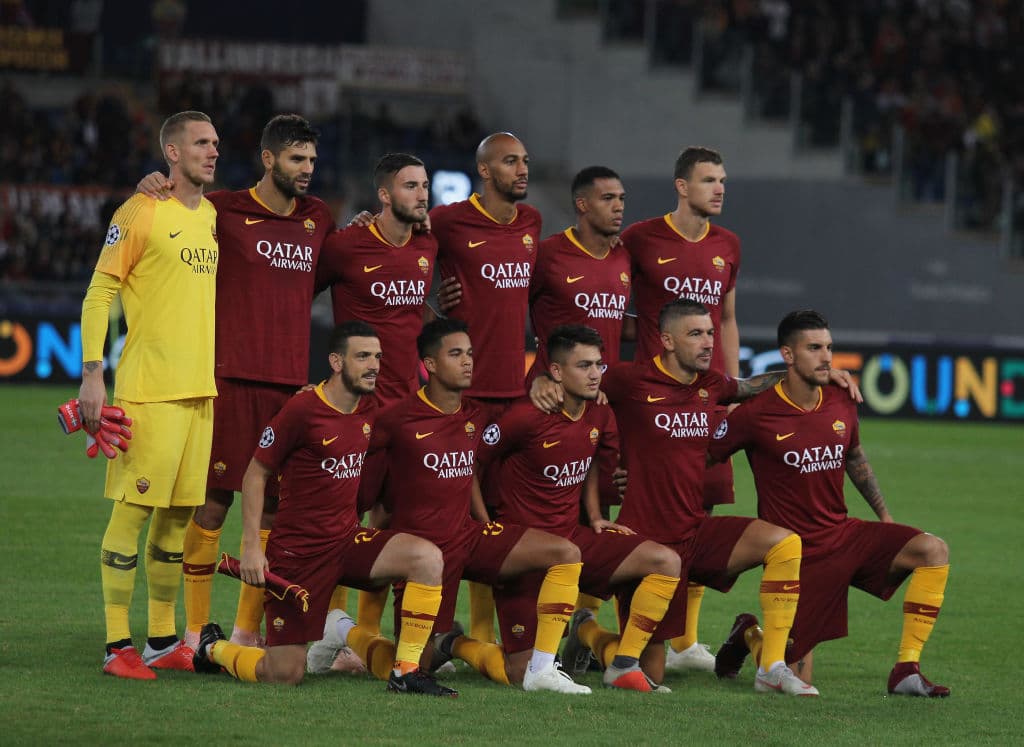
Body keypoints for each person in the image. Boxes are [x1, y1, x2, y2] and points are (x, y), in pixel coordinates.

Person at [139, 115, 338, 652]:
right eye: (297, 159)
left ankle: (248, 632)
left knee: (275, 510)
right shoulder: (223, 210)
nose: (307, 170)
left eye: (313, 161)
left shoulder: (318, 218)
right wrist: (150, 185)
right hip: (229, 379)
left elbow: (339, 271)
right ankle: (196, 630)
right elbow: (165, 218)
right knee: (212, 504)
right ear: (269, 159)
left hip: (289, 386)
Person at [191, 321, 454, 696]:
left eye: (377, 357)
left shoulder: (370, 408)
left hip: (347, 541)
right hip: (299, 555)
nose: (374, 365)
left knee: (427, 559)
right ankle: (212, 647)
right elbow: (255, 474)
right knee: (284, 674)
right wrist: (252, 546)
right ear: (335, 361)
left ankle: (406, 671)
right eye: (362, 356)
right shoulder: (302, 409)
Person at [707, 310, 950, 697]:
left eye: (829, 347)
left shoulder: (840, 399)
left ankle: (906, 669)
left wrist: (884, 517)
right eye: (814, 348)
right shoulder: (756, 414)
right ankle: (749, 634)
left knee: (932, 550)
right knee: (795, 676)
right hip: (798, 553)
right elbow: (703, 453)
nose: (826, 357)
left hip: (844, 533)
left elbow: (854, 456)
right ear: (788, 354)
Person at [347, 319, 591, 694]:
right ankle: (349, 632)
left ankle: (542, 668)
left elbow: (490, 453)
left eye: (470, 354)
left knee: (565, 553)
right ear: (429, 364)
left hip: (469, 538)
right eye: (456, 354)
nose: (467, 362)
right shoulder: (396, 420)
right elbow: (366, 489)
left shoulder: (477, 415)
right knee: (413, 664)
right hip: (423, 557)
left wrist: (482, 517)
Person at [600, 298, 823, 695]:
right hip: (646, 544)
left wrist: (813, 370)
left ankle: (769, 663)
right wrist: (604, 472)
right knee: (652, 673)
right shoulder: (628, 381)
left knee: (785, 543)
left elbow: (750, 387)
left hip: (695, 532)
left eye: (710, 333)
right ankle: (586, 633)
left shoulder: (712, 385)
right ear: (666, 340)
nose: (707, 343)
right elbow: (574, 397)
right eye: (695, 334)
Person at [80, 110, 219, 679]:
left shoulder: (211, 215)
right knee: (133, 513)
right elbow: (98, 293)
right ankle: (117, 645)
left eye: (214, 143)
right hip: (148, 392)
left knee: (177, 521)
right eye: (200, 144)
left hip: (199, 392)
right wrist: (93, 373)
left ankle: (163, 639)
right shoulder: (140, 211)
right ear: (172, 154)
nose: (212, 151)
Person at [477, 325, 682, 692]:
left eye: (599, 365)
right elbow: (473, 464)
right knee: (518, 674)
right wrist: (483, 523)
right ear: (555, 372)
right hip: (523, 550)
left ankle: (619, 661)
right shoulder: (525, 416)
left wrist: (595, 515)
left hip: (572, 540)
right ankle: (459, 645)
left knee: (665, 561)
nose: (594, 374)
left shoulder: (599, 413)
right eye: (584, 365)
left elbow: (587, 463)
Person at [619, 146, 740, 672]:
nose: (719, 188)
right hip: (648, 407)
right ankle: (590, 625)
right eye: (709, 179)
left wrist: (728, 391)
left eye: (722, 180)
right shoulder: (641, 238)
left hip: (703, 400)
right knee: (626, 509)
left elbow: (728, 318)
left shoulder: (728, 246)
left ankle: (686, 641)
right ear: (681, 186)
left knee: (702, 504)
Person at [430, 132, 542, 645]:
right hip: (461, 393)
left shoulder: (532, 224)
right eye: (510, 161)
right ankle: (370, 630)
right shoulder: (448, 221)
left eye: (524, 161)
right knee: (445, 509)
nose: (522, 169)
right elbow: (402, 254)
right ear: (484, 170)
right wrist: (433, 299)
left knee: (500, 514)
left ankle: (479, 636)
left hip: (513, 392)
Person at [316, 153, 438, 406]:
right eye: (410, 186)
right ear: (384, 195)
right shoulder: (346, 245)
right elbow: (300, 295)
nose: (422, 195)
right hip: (357, 402)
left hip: (409, 401)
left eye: (425, 185)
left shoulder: (427, 243)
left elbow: (415, 310)